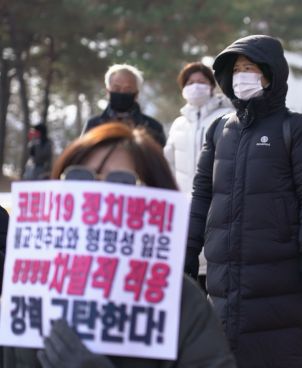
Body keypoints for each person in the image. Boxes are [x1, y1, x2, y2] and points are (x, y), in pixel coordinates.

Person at [2, 122, 236, 368]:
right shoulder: (25, 291)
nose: (97, 197)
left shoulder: (183, 302)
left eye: (121, 182)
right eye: (78, 177)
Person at [185, 35, 302, 368]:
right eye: (236, 69)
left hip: (280, 271)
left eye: (249, 68)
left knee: (278, 350)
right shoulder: (219, 130)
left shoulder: (297, 128)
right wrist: (189, 249)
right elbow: (202, 194)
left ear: (270, 73)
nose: (242, 76)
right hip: (222, 272)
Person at [164, 62, 234, 291]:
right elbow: (167, 166)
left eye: (201, 82)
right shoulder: (178, 124)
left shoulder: (227, 117)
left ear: (212, 86)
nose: (196, 87)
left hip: (219, 206)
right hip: (185, 209)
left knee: (218, 268)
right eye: (190, 83)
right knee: (189, 270)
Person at [83, 64, 166, 147]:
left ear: (136, 94)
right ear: (107, 92)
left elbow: (160, 158)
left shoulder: (153, 127)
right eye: (117, 89)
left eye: (128, 89)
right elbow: (82, 156)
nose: (122, 93)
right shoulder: (94, 125)